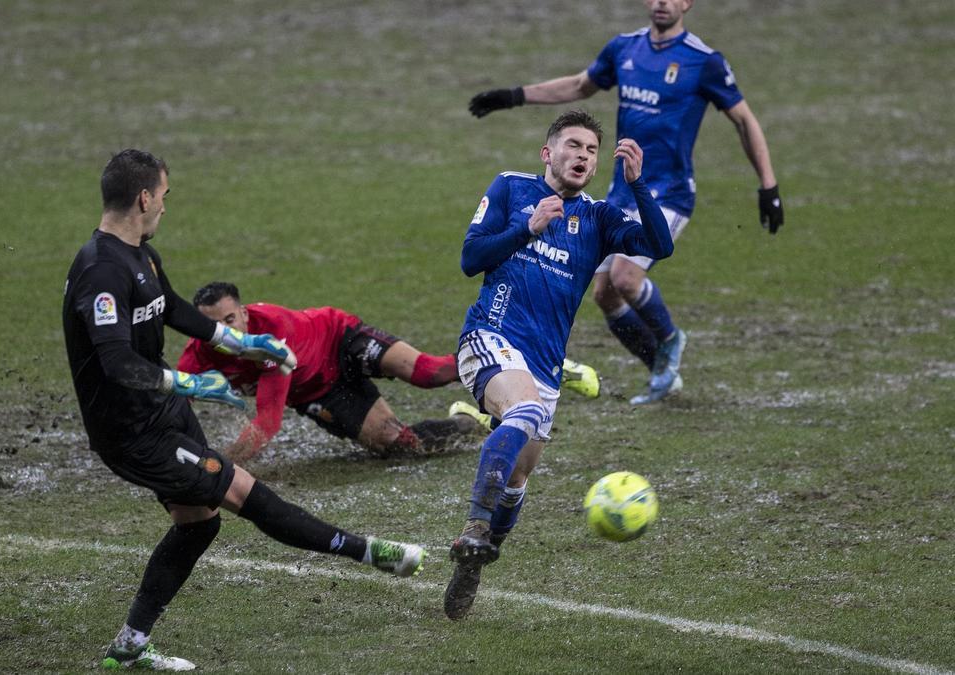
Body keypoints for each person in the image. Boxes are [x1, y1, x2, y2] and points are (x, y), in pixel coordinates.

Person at [63, 149, 427, 670]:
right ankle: (370, 552)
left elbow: (173, 310)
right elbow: (118, 363)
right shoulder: (100, 271)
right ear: (143, 197)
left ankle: (128, 648)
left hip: (159, 412)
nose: (166, 206)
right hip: (132, 431)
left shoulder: (140, 254)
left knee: (199, 523)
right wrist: (192, 382)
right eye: (164, 196)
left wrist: (243, 343)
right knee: (244, 493)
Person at [468, 0, 782, 404]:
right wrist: (513, 96)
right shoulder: (624, 49)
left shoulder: (703, 61)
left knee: (626, 278)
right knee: (606, 294)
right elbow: (581, 86)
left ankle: (669, 341)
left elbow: (744, 119)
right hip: (620, 190)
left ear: (687, 3)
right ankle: (661, 371)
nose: (662, 3)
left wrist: (768, 185)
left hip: (667, 192)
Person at [443, 110, 673, 620]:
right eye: (573, 146)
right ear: (549, 153)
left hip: (545, 365)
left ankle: (476, 561)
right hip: (491, 336)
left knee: (518, 479)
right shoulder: (510, 188)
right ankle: (474, 527)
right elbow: (469, 259)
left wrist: (637, 186)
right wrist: (527, 228)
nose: (583, 157)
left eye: (592, 151)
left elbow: (661, 245)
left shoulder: (597, 218)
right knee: (520, 415)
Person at [180, 282, 478, 462]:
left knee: (430, 373)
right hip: (319, 392)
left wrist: (221, 464)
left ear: (244, 313)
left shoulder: (272, 334)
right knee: (402, 445)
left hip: (339, 339)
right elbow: (177, 400)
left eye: (230, 319)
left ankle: (500, 361)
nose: (226, 331)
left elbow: (268, 421)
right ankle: (470, 421)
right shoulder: (197, 355)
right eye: (215, 326)